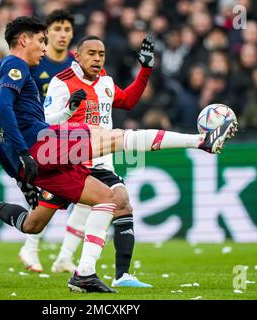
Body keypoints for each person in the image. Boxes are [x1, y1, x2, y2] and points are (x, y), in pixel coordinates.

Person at [0, 16, 237, 293]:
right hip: (44, 144)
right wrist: (25, 153)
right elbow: (4, 109)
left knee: (81, 207)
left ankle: (77, 269)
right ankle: (201, 141)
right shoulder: (17, 65)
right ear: (23, 40)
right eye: (42, 41)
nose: (45, 47)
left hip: (36, 158)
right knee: (116, 139)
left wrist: (18, 173)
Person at [37, 34, 155, 288]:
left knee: (121, 202)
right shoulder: (61, 83)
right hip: (69, 162)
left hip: (100, 163)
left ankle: (120, 275)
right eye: (91, 53)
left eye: (101, 54)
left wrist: (145, 70)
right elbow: (45, 124)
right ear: (77, 56)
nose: (97, 58)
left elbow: (129, 101)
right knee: (33, 223)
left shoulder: (107, 83)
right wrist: (68, 110)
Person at [18, 10, 76, 273]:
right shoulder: (35, 63)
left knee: (85, 195)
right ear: (47, 34)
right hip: (42, 137)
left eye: (67, 29)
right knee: (49, 193)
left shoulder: (77, 63)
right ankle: (32, 247)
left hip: (74, 136)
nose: (62, 34)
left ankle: (63, 256)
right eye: (57, 29)